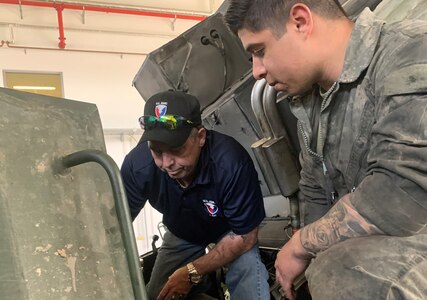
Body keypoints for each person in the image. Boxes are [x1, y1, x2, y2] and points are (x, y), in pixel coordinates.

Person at [225, 0, 427, 299]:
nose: (257, 71)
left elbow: (404, 193)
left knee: (340, 270)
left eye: (259, 51)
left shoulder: (411, 50)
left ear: (300, 21)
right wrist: (308, 248)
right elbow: (315, 191)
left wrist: (303, 244)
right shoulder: (311, 104)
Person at [121, 90, 270, 300]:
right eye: (157, 151)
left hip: (231, 232)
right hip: (182, 232)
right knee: (157, 296)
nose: (166, 164)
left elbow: (245, 237)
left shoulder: (230, 162)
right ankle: (201, 288)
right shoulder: (138, 166)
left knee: (250, 289)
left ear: (200, 137)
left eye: (176, 150)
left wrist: (192, 272)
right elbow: (115, 227)